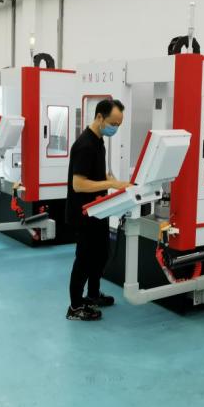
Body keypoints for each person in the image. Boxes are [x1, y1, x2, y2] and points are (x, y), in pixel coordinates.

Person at [65, 98, 130, 321]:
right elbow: (78, 184)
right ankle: (75, 307)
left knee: (101, 254)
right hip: (84, 212)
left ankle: (92, 295)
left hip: (98, 210)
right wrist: (111, 184)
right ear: (100, 117)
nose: (115, 128)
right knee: (84, 259)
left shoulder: (98, 141)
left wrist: (115, 182)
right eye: (113, 123)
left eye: (119, 125)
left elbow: (97, 174)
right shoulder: (85, 145)